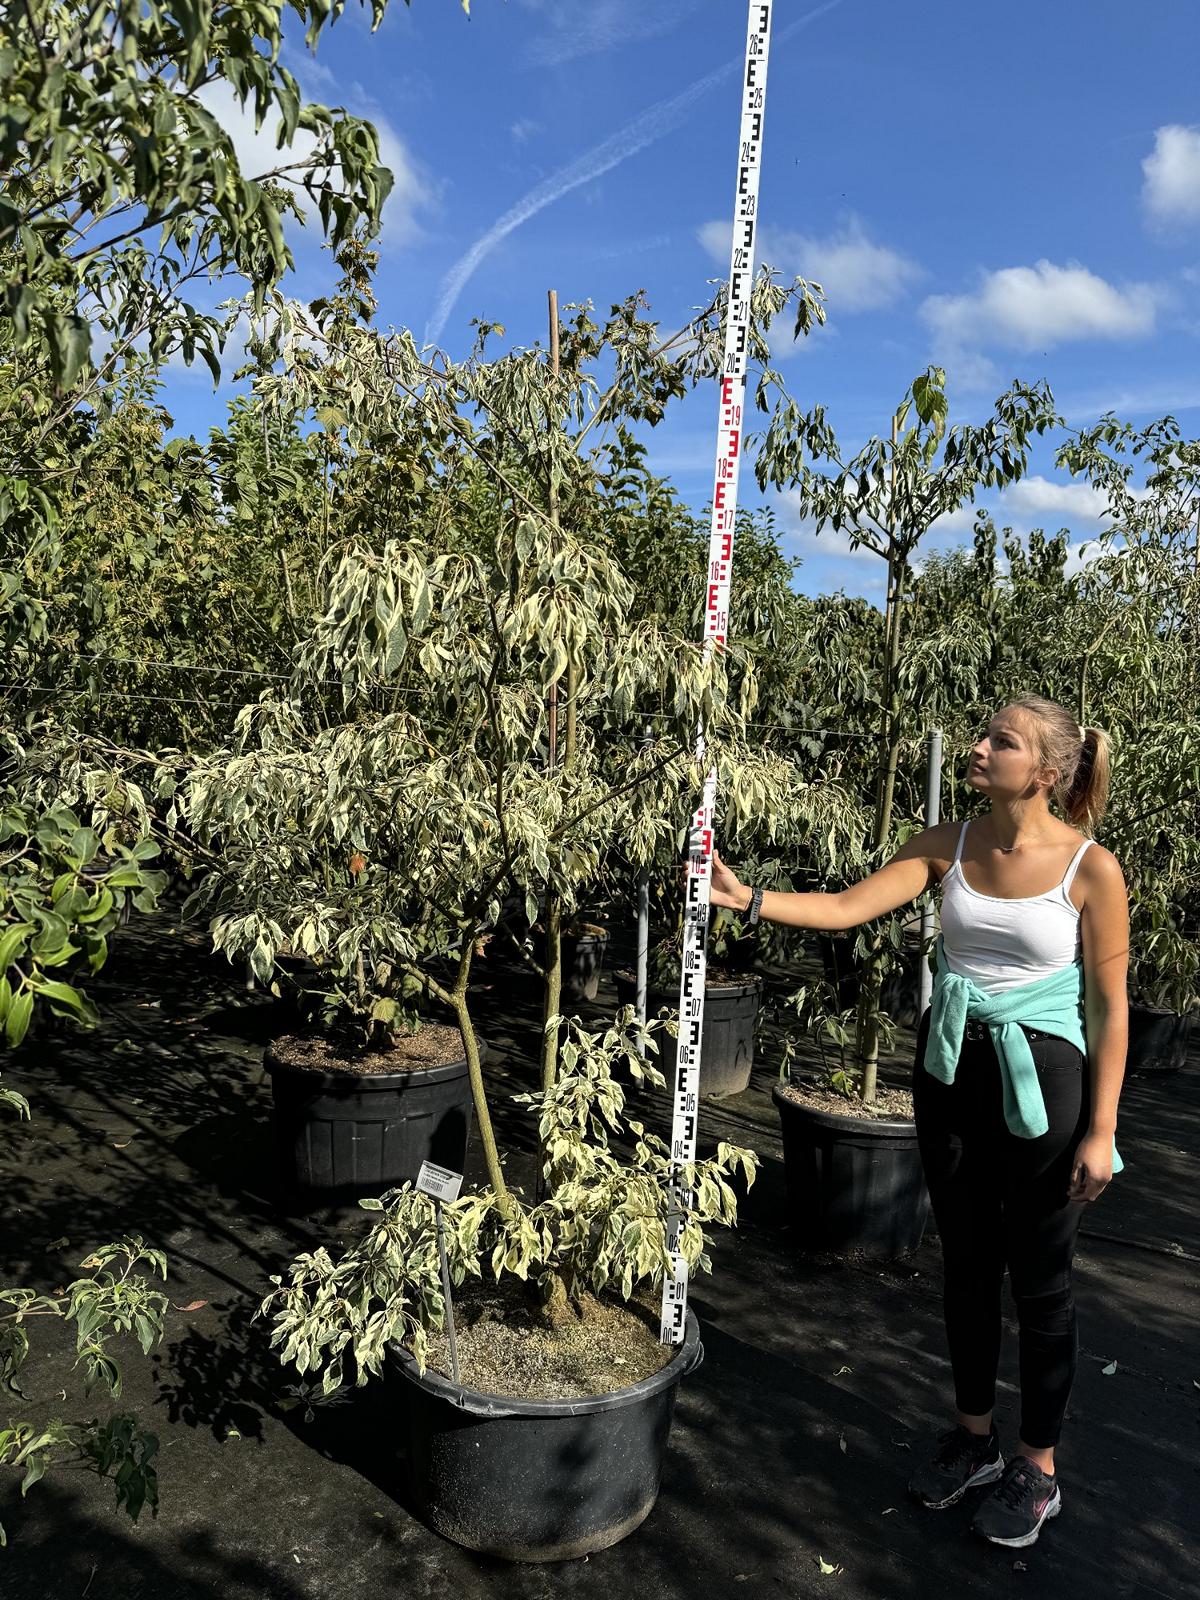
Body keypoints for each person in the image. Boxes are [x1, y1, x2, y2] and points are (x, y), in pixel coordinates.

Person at [709, 693, 1128, 1550]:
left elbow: (1112, 1009)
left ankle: (1037, 1469)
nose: (979, 749)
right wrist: (746, 897)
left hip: (1044, 1084)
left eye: (999, 742)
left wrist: (1102, 1132)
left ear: (1045, 772)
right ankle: (973, 1440)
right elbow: (845, 906)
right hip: (949, 1075)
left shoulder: (1092, 869)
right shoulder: (949, 845)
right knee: (968, 1267)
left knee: (1040, 1282)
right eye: (983, 735)